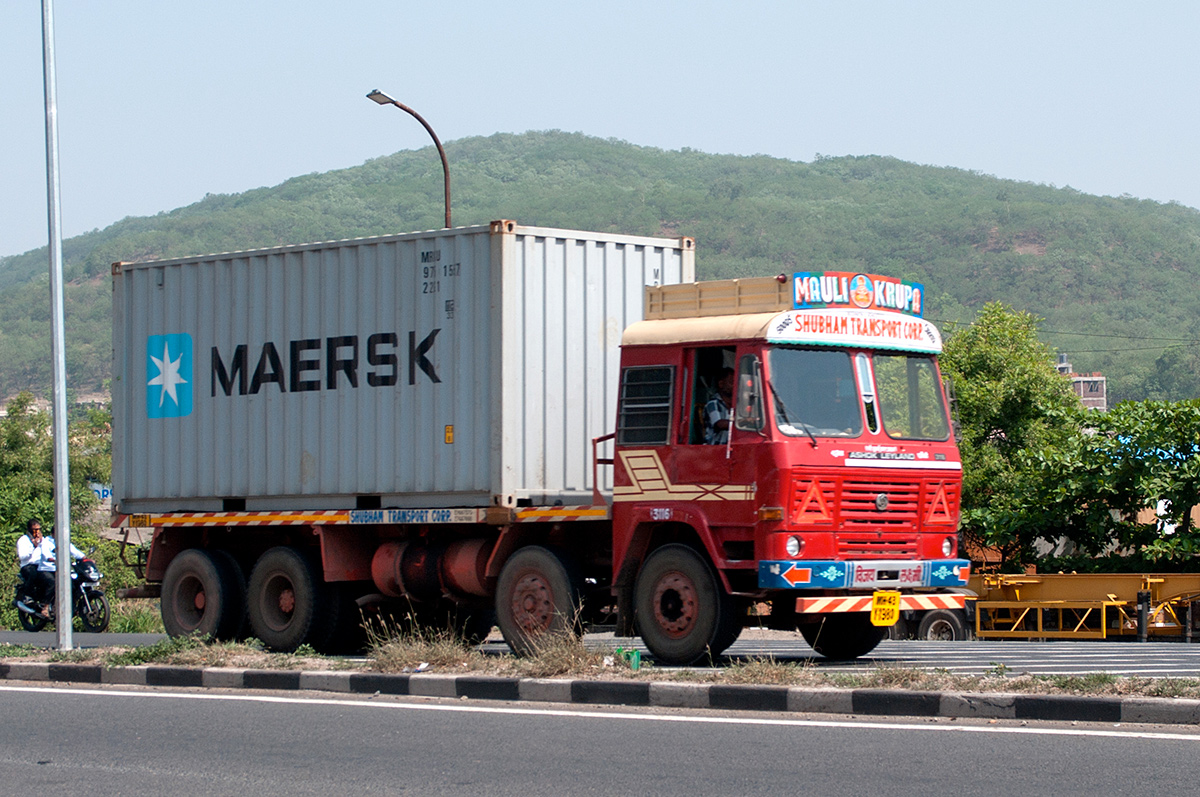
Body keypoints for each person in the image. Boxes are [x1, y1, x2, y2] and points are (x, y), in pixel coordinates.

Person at [34, 526, 86, 611]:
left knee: (73, 585)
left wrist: (85, 558)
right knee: (53, 583)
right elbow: (46, 554)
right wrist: (53, 560)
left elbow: (75, 552)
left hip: (61, 570)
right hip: (47, 569)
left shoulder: (65, 542)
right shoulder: (46, 542)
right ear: (53, 533)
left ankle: (72, 607)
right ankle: (45, 607)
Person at [15, 519, 53, 615]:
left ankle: (48, 602)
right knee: (32, 573)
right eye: (34, 530)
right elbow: (22, 556)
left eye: (38, 529)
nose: (37, 532)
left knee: (51, 579)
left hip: (41, 566)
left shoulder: (43, 540)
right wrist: (34, 546)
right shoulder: (23, 540)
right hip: (28, 566)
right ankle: (27, 596)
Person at [704, 367, 736, 445]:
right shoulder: (712, 404)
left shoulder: (737, 405)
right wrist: (741, 423)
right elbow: (719, 424)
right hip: (713, 449)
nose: (735, 386)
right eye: (732, 382)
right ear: (721, 384)